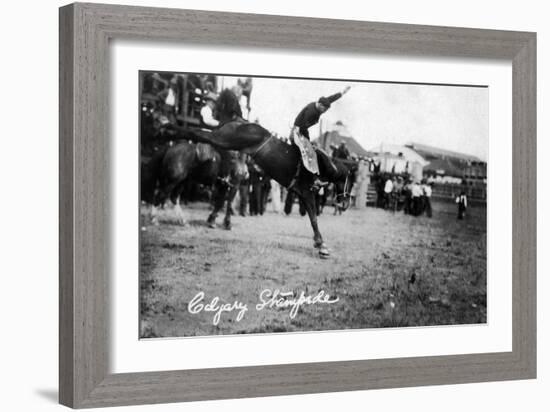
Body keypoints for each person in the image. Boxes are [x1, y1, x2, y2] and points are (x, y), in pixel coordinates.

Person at [288, 86, 351, 190]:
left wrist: (342, 92)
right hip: (297, 131)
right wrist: (309, 140)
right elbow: (303, 127)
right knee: (310, 153)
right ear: (320, 105)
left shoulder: (321, 103)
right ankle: (313, 179)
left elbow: (331, 98)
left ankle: (314, 177)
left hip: (302, 131)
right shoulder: (311, 113)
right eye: (324, 109)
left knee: (313, 149)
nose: (324, 112)